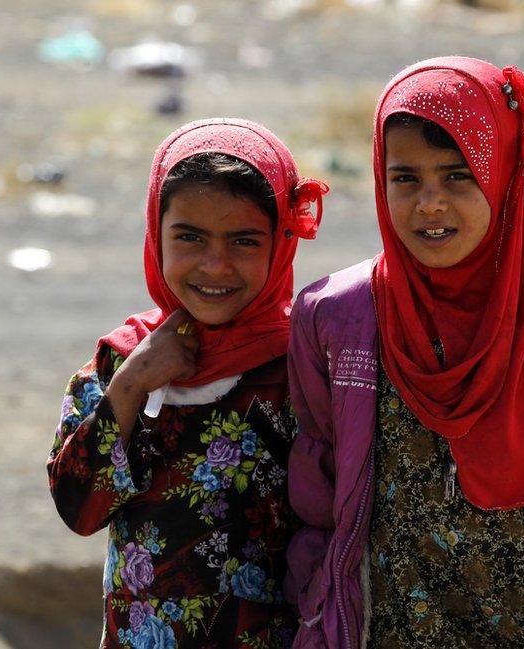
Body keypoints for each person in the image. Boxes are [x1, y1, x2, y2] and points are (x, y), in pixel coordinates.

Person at [283, 58, 524, 648]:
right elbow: (318, 516)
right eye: (405, 178)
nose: (430, 204)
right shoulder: (336, 321)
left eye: (459, 176)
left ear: (504, 175)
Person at [48, 118, 328, 649]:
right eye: (190, 238)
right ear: (157, 234)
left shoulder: (302, 369)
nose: (215, 265)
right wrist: (131, 388)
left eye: (244, 240)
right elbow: (79, 509)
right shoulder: (119, 363)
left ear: (282, 242)